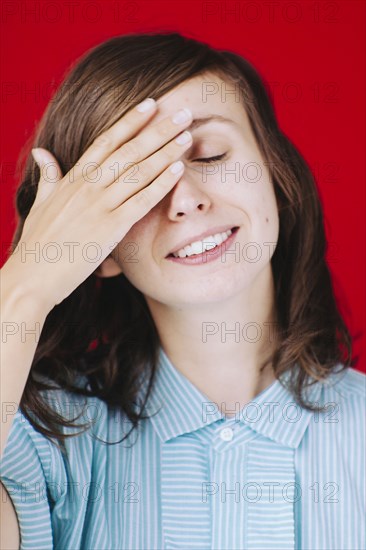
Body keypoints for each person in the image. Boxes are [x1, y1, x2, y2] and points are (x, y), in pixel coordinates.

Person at [0, 32, 365, 550]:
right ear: (97, 247)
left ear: (275, 176)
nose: (185, 200)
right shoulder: (42, 448)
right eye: (137, 182)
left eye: (211, 154)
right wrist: (29, 282)